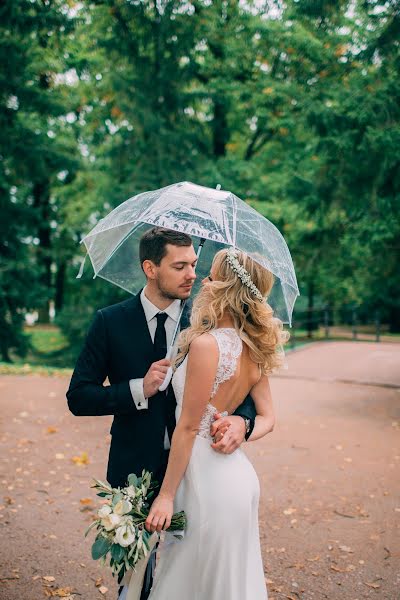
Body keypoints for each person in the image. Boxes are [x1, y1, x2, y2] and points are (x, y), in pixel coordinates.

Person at [66, 227, 256, 599]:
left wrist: (243, 422)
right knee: (135, 575)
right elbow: (79, 397)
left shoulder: (206, 323)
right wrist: (139, 388)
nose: (192, 275)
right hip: (133, 464)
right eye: (180, 266)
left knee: (186, 569)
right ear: (150, 268)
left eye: (194, 265)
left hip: (196, 469)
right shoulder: (110, 321)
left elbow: (239, 386)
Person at [143, 247, 288, 600]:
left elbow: (189, 428)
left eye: (210, 275)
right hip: (235, 480)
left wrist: (164, 496)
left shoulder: (208, 346)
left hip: (206, 484)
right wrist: (244, 421)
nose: (203, 280)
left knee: (190, 581)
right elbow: (269, 417)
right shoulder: (253, 347)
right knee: (226, 584)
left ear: (224, 287)